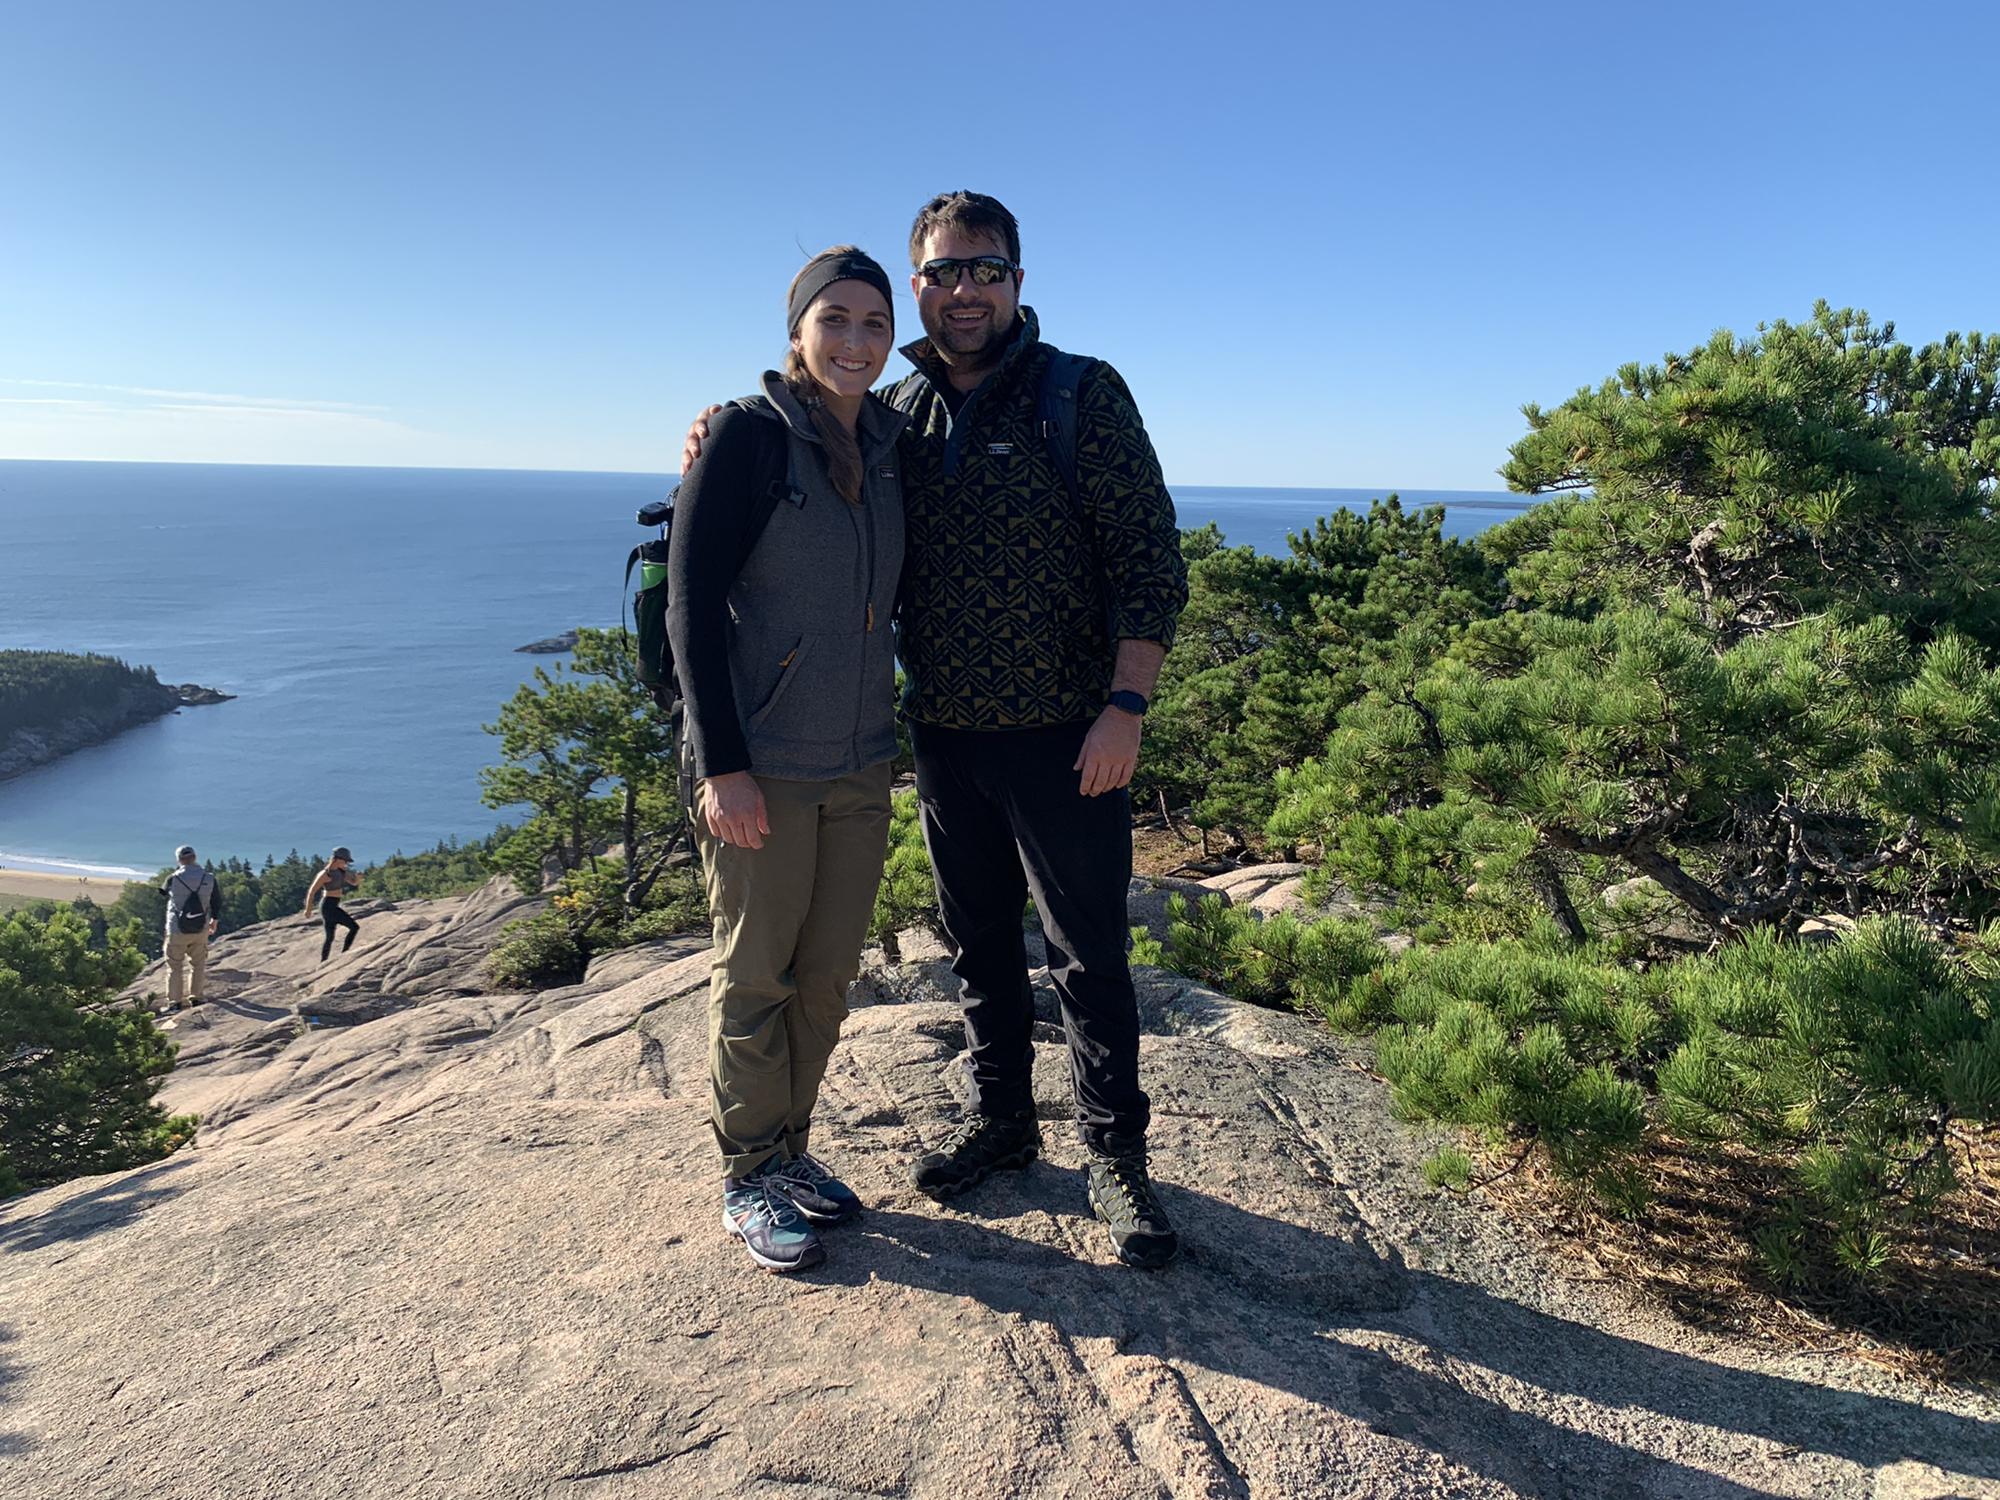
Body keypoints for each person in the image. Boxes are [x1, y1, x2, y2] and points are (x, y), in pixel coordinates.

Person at [683, 194, 1189, 1270]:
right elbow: (772, 464)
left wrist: (1124, 707)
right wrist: (707, 439)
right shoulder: (895, 408)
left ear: (1016, 279)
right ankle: (1000, 1121)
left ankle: (1113, 1157)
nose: (963, 290)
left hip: (1068, 733)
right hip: (943, 733)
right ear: (916, 286)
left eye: (984, 269)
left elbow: (1150, 563)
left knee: (1087, 955)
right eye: (942, 272)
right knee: (976, 951)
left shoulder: (1079, 394)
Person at [668, 246, 907, 1274]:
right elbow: (687, 605)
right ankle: (745, 1174)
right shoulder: (747, 438)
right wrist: (722, 764)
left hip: (858, 761)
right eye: (835, 320)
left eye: (872, 323)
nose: (855, 341)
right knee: (753, 975)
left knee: (823, 981)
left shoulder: (894, 441)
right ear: (798, 331)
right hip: (760, 764)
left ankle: (790, 1150)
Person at [160, 844, 219, 1015]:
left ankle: (174, 1003)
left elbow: (163, 893)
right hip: (200, 928)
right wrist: (214, 920)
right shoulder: (209, 878)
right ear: (195, 857)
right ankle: (197, 998)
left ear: (179, 860)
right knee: (198, 964)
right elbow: (216, 901)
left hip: (177, 929)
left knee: (174, 966)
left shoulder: (173, 878)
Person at [303, 847, 363, 961]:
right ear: (337, 859)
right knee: (354, 927)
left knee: (330, 937)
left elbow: (354, 883)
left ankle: (324, 961)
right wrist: (308, 909)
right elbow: (312, 891)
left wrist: (358, 878)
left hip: (333, 904)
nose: (346, 863)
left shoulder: (341, 872)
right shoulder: (325, 874)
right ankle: (344, 955)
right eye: (345, 861)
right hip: (328, 905)